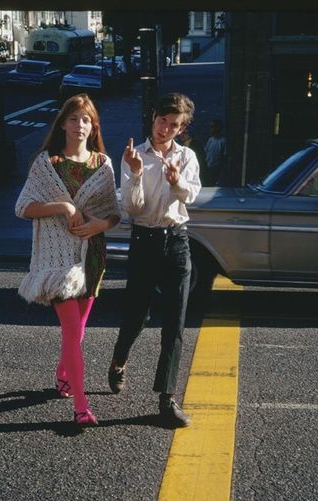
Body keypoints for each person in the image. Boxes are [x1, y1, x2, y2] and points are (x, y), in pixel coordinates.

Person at [15, 93, 121, 427]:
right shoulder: (47, 164)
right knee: (71, 329)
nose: (80, 125)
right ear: (63, 123)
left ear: (94, 126)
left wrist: (99, 224)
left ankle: (63, 374)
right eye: (74, 119)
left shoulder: (102, 165)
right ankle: (80, 405)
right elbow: (23, 207)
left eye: (86, 120)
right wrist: (65, 207)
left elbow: (113, 214)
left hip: (92, 257)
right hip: (57, 262)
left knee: (77, 332)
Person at [108, 92, 201, 427]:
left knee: (175, 321)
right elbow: (131, 209)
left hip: (177, 240)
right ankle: (119, 359)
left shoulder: (187, 157)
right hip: (145, 240)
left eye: (175, 125)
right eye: (163, 121)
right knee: (137, 314)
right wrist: (134, 173)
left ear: (182, 127)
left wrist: (177, 182)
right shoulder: (135, 155)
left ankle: (167, 398)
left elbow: (192, 196)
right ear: (153, 118)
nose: (167, 129)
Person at [204, 119, 227, 185]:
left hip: (217, 169)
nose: (211, 129)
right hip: (208, 168)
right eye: (211, 126)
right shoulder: (210, 140)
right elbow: (206, 152)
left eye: (213, 126)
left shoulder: (223, 141)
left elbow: (224, 156)